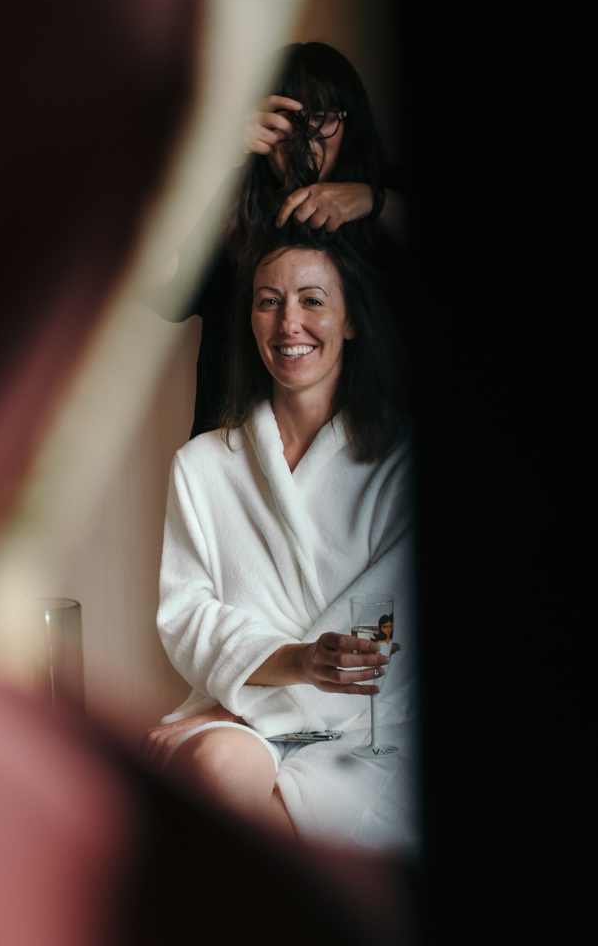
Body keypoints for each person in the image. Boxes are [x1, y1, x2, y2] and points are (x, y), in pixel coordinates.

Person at [143, 235, 416, 851]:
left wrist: (236, 706)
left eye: (312, 300)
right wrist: (294, 663)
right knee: (220, 767)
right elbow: (186, 616)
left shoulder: (399, 463)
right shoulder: (203, 464)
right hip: (245, 712)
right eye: (268, 301)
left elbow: (383, 653)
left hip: (363, 726)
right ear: (250, 323)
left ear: (350, 322)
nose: (289, 321)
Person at [148, 42, 404, 440]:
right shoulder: (228, 218)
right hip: (235, 460)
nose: (303, 140)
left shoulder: (383, 209)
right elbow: (152, 277)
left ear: (350, 124)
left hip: (373, 461)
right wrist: (217, 153)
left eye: (321, 118)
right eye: (286, 121)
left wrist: (374, 199)